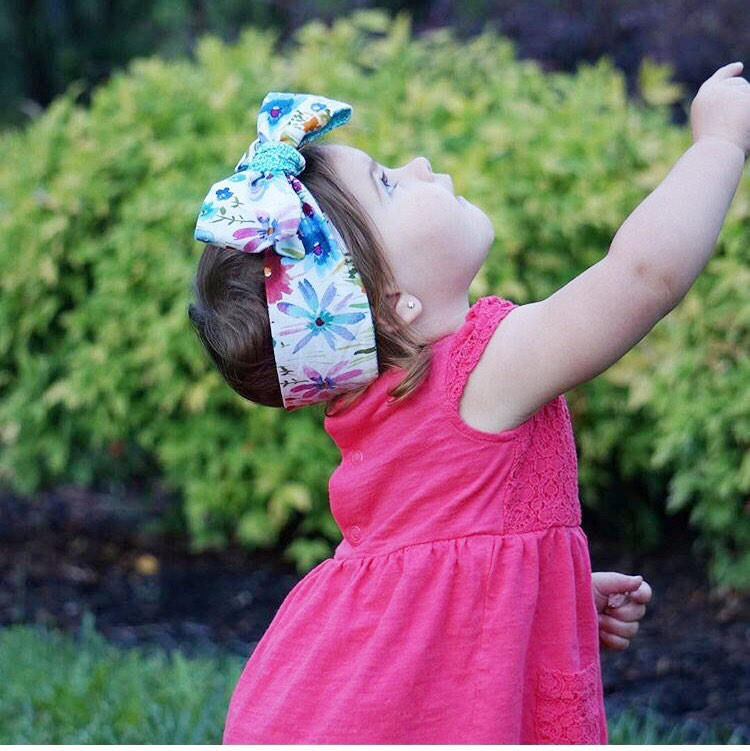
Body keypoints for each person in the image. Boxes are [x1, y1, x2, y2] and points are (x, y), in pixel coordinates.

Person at [188, 63, 747, 742]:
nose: (420, 164)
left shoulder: (379, 403)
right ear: (396, 305)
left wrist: (545, 592)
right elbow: (642, 276)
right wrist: (719, 143)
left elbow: (436, 558)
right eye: (390, 183)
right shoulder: (486, 366)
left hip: (354, 681)